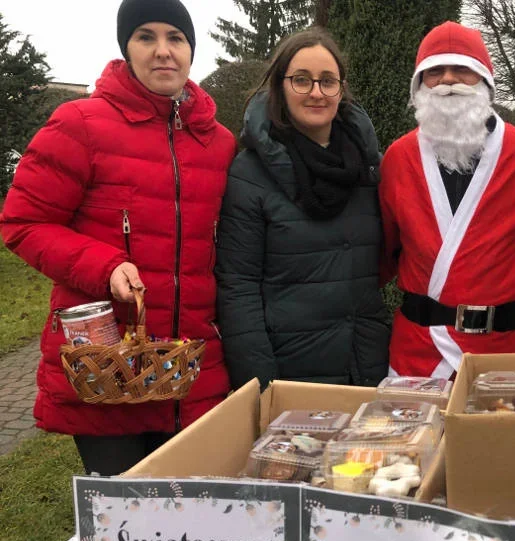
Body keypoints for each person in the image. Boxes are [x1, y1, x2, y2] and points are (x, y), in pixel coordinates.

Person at [0, 0, 236, 475]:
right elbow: (22, 222)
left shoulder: (220, 143)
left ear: (192, 50)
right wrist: (102, 266)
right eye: (146, 37)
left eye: (176, 38)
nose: (163, 51)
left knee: (193, 519)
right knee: (122, 519)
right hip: (108, 370)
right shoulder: (80, 124)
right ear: (126, 49)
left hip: (191, 368)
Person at [215, 28, 389, 390]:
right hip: (289, 372)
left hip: (366, 367)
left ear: (341, 90)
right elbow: (238, 287)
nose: (316, 92)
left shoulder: (368, 168)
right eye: (301, 80)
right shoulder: (251, 172)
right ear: (280, 86)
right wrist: (260, 385)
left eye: (328, 81)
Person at [379, 21, 515, 378]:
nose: (448, 81)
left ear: (486, 82)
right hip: (417, 352)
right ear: (419, 85)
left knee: (500, 436)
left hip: (503, 350)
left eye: (463, 70)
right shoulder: (398, 157)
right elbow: (386, 249)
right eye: (435, 72)